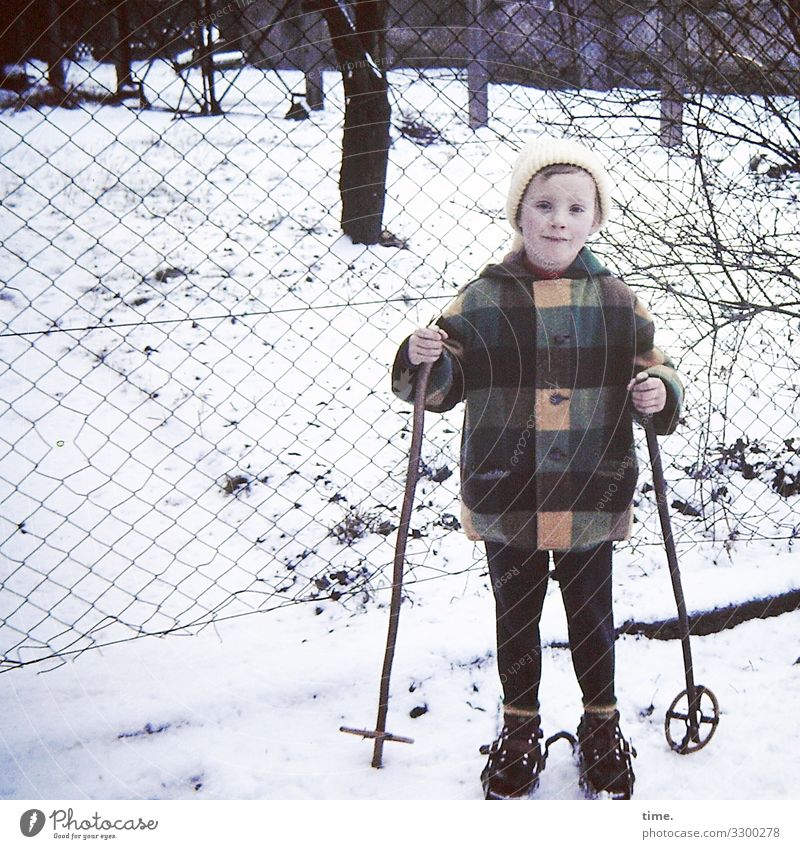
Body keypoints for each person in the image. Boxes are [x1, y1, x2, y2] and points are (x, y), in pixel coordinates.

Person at [390, 137, 684, 799]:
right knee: (515, 615)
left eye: (576, 207)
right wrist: (424, 357)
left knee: (592, 613)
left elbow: (652, 361)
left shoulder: (615, 299)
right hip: (510, 490)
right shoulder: (483, 299)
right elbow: (440, 385)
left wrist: (658, 389)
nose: (559, 219)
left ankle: (601, 721)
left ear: (595, 220)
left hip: (589, 487)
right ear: (518, 215)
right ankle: (520, 723)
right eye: (544, 204)